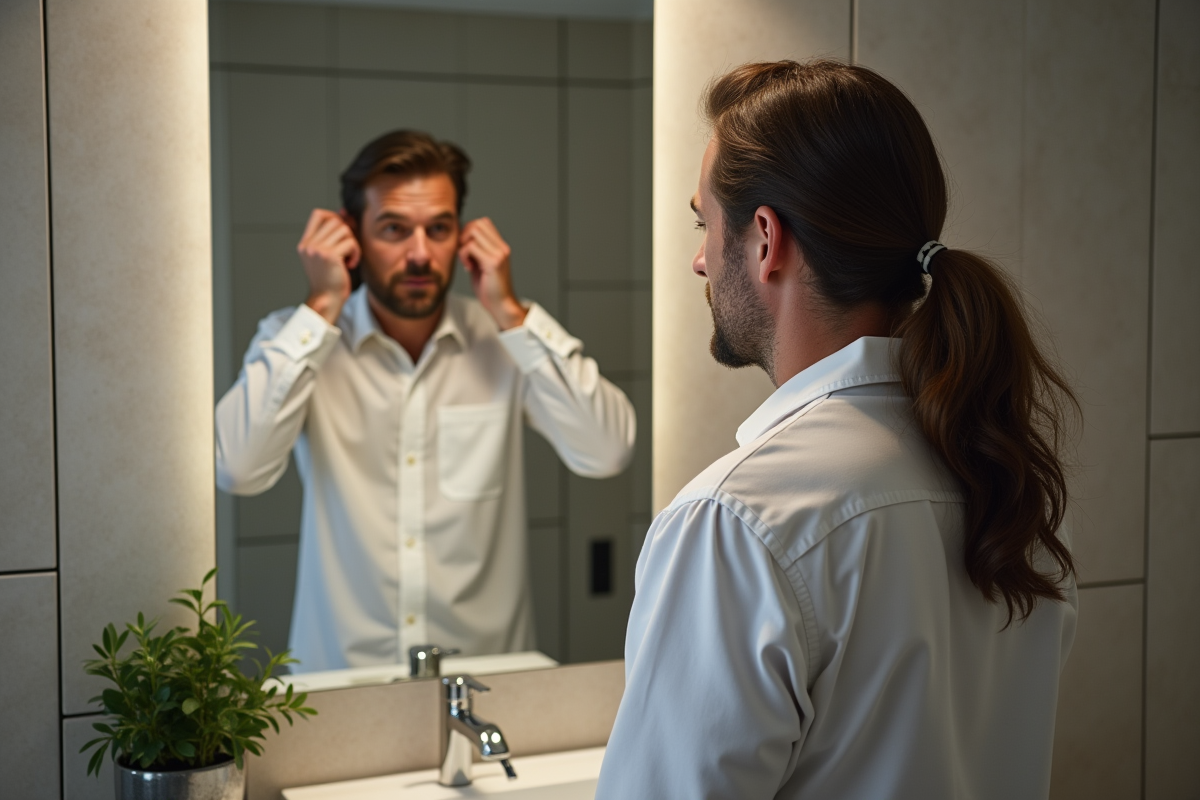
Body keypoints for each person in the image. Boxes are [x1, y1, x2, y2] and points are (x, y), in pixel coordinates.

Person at [597, 60, 1079, 799]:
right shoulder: (1002, 479)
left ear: (765, 238)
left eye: (704, 222)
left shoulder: (735, 524)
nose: (698, 258)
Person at [215, 130, 636, 673]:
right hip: (342, 687)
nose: (419, 254)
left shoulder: (506, 339)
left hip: (489, 684)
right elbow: (238, 468)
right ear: (351, 235)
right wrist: (321, 304)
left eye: (438, 229)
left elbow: (607, 450)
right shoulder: (297, 338)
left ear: (460, 235)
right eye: (394, 229)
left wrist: (509, 311)